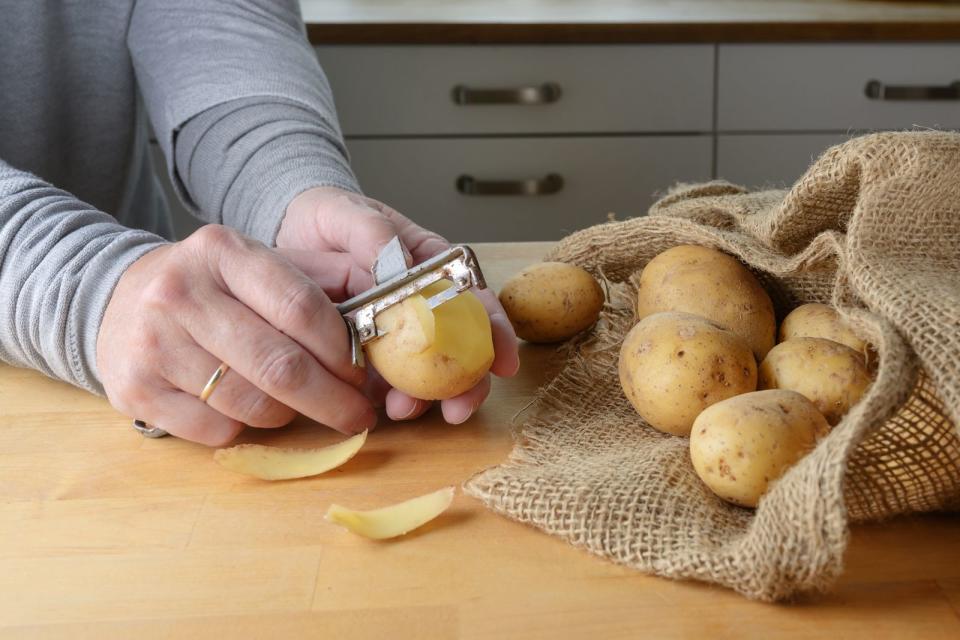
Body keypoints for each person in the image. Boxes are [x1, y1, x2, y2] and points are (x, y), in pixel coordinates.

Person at [0, 1, 519, 445]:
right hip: (114, 333)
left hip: (163, 346)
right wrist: (90, 285)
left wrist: (291, 192)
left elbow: (217, 26)